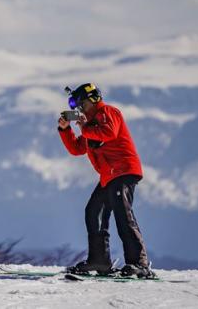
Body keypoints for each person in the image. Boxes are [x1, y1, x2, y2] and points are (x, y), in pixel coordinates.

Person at [57, 83, 154, 278]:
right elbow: (77, 149)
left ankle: (139, 264)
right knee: (93, 212)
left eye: (81, 104)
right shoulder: (90, 124)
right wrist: (65, 130)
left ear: (91, 100)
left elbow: (109, 132)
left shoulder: (109, 112)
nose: (79, 110)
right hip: (109, 176)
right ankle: (99, 261)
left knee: (122, 214)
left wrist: (84, 127)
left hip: (124, 171)